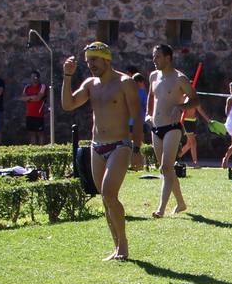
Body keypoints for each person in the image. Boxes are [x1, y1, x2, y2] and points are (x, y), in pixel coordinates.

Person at [61, 42, 142, 261]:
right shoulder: (90, 84)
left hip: (120, 145)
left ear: (107, 59)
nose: (91, 65)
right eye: (88, 62)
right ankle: (116, 247)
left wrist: (137, 150)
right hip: (96, 146)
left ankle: (123, 244)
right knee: (105, 199)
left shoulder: (125, 83)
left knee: (109, 194)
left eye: (94, 60)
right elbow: (68, 105)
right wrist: (67, 76)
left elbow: (137, 117)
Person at [145, 43, 196, 217]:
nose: (154, 60)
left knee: (166, 167)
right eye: (153, 56)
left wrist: (181, 107)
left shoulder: (179, 78)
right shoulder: (153, 76)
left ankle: (160, 210)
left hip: (173, 128)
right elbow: (151, 97)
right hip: (156, 127)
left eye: (157, 56)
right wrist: (147, 115)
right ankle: (181, 203)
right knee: (165, 169)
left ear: (168, 58)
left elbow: (195, 100)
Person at [177, 90, 212, 168]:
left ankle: (176, 157)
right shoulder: (183, 97)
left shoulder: (195, 98)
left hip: (193, 121)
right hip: (186, 121)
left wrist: (208, 120)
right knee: (193, 142)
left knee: (189, 144)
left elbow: (199, 110)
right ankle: (195, 163)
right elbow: (179, 107)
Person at [20, 70, 48, 145]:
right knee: (31, 133)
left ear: (38, 78)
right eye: (32, 77)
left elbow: (38, 98)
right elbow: (22, 98)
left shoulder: (42, 86)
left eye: (35, 77)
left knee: (40, 133)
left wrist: (29, 98)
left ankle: (41, 149)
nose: (33, 79)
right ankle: (33, 149)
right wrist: (32, 97)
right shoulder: (27, 87)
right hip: (29, 114)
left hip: (39, 114)